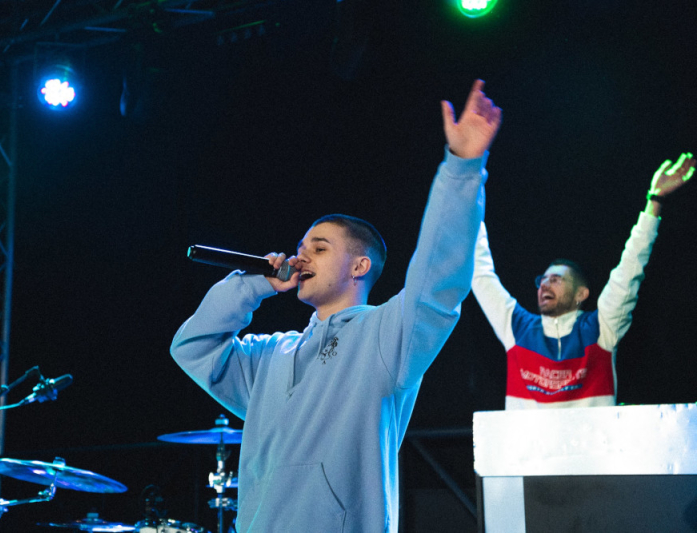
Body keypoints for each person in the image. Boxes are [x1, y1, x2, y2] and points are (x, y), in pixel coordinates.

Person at [170, 79, 502, 532]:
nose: (301, 257)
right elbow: (192, 347)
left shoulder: (385, 337)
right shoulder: (269, 355)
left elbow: (438, 279)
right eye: (300, 248)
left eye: (320, 248)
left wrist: (462, 168)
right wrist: (252, 286)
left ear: (359, 266)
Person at [471, 152, 695, 410]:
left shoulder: (602, 329)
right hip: (527, 440)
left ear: (581, 294)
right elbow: (480, 273)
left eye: (556, 279)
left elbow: (630, 268)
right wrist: (468, 193)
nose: (545, 284)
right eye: (543, 279)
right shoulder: (517, 328)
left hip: (592, 438)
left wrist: (654, 201)